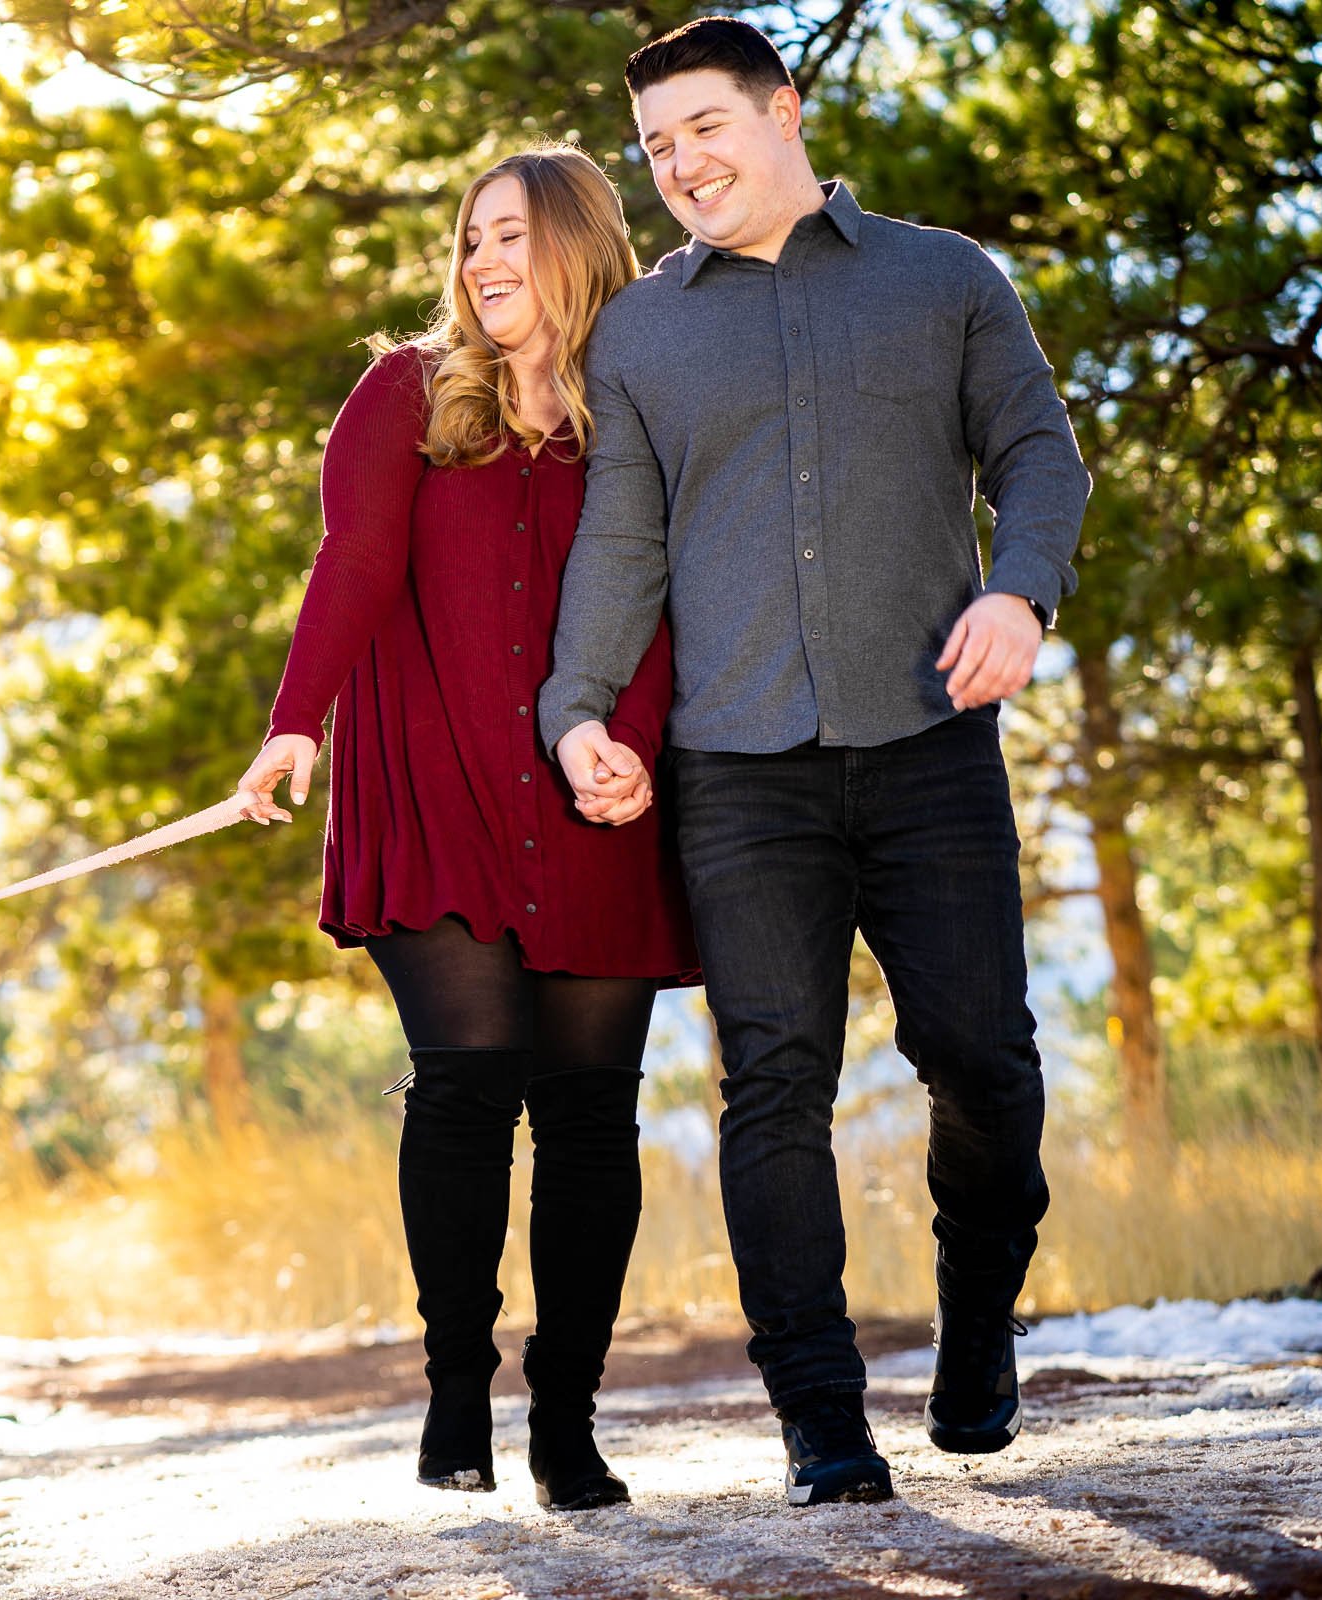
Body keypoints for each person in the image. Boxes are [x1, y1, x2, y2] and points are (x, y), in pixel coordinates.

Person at [538, 17, 1089, 1507]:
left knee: (983, 1062)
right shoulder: (642, 334)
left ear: (785, 113)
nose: (682, 166)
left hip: (928, 749)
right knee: (772, 1085)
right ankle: (822, 1428)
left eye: (706, 129)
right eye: (657, 149)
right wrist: (578, 707)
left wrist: (1017, 588)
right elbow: (624, 537)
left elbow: (1038, 452)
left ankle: (980, 1326)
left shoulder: (944, 279)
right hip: (739, 769)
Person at [234, 143, 700, 1511]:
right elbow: (359, 564)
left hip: (597, 783)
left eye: (515, 236)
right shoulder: (404, 393)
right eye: (473, 239)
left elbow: (675, 590)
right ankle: (456, 1391)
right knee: (466, 1080)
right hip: (434, 774)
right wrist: (294, 719)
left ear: (579, 247)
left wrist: (634, 749)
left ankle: (567, 1417)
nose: (487, 262)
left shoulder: (640, 405)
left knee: (591, 1117)